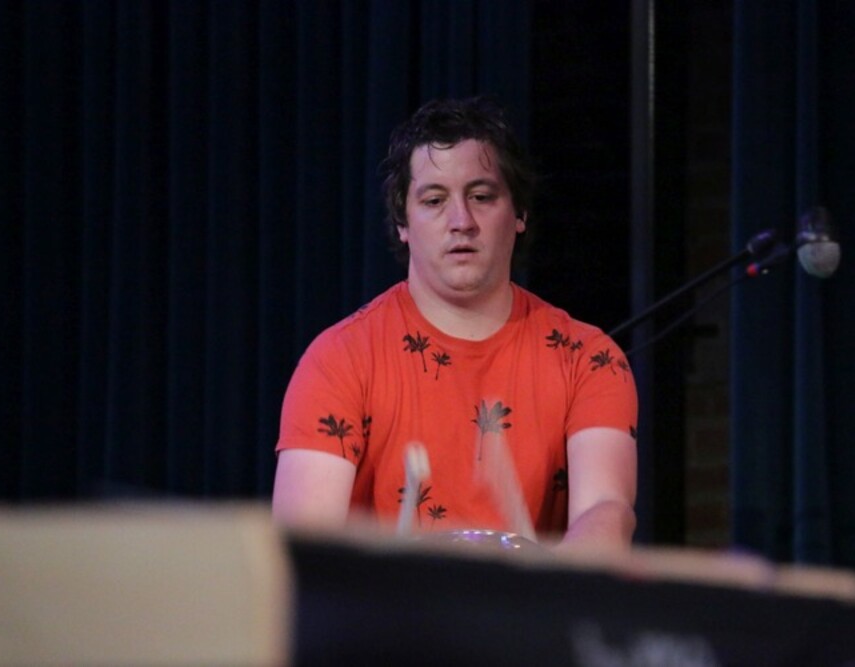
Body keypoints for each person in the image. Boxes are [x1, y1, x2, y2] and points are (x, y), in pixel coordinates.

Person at [272, 96, 638, 551]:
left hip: (537, 595)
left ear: (519, 214)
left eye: (481, 197)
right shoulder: (338, 360)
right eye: (434, 200)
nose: (461, 221)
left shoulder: (588, 359)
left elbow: (605, 508)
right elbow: (304, 542)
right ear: (403, 222)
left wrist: (558, 583)